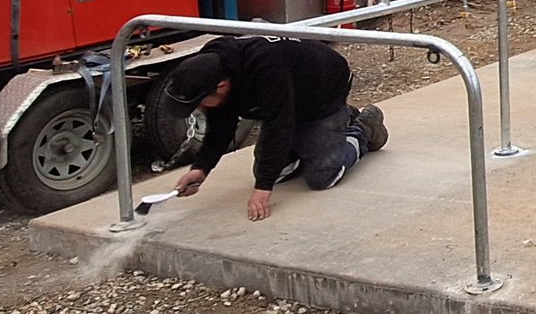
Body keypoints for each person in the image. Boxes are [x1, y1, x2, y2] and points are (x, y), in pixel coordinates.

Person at [161, 36, 388, 221]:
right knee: (278, 172)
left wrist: (263, 189)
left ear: (221, 86)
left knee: (323, 176)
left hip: (324, 92)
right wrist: (201, 168)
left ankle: (363, 126)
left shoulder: (267, 67)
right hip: (289, 99)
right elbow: (222, 125)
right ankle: (324, 133)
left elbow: (278, 126)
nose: (199, 110)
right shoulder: (213, 69)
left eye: (199, 104)